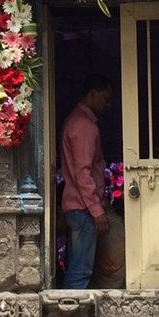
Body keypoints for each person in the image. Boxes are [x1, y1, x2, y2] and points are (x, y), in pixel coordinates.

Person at [59, 75, 113, 289]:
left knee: (76, 266)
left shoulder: (76, 121)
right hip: (83, 208)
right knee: (81, 270)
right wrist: (96, 209)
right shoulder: (84, 126)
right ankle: (71, 315)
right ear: (92, 94)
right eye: (105, 98)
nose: (107, 105)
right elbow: (83, 172)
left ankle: (69, 314)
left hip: (78, 206)